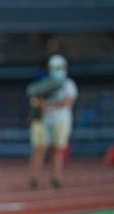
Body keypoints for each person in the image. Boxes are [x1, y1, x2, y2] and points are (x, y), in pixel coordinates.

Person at [28, 54, 78, 190]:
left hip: (61, 121)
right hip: (45, 121)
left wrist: (51, 104)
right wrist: (41, 104)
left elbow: (68, 101)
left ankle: (55, 178)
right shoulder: (45, 83)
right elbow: (34, 97)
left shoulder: (69, 84)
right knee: (40, 149)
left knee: (57, 150)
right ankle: (34, 178)